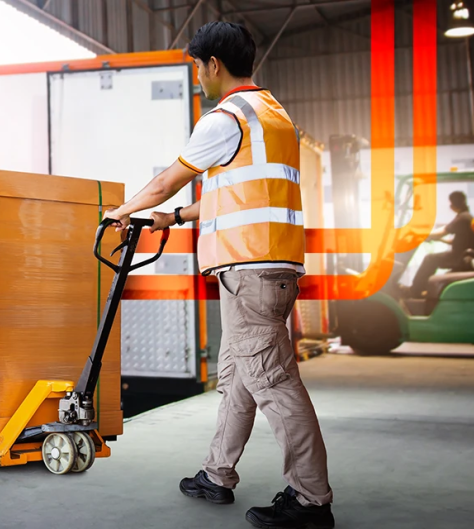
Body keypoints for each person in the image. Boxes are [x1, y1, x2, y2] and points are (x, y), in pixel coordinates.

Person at [103, 21, 334, 529]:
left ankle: (311, 499)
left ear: (212, 64)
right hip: (264, 270)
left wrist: (122, 211)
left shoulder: (224, 117)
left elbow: (167, 179)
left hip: (251, 274)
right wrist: (172, 219)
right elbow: (238, 195)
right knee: (238, 379)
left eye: (196, 67)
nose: (197, 78)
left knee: (273, 382)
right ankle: (217, 473)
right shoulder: (271, 114)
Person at [409, 191, 474, 297]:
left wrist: (421, 234)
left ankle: (415, 290)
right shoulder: (466, 216)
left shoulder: (462, 218)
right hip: (462, 254)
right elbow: (453, 241)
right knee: (433, 258)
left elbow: (441, 233)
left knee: (430, 259)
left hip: (459, 256)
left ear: (452, 205)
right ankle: (420, 289)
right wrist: (438, 240)